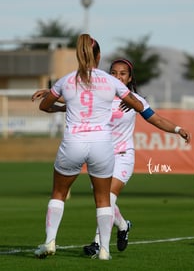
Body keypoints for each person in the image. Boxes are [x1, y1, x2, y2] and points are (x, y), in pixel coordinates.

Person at [32, 58, 191, 257]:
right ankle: (123, 226)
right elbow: (73, 101)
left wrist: (177, 129)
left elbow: (156, 119)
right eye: (114, 73)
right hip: (101, 154)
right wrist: (49, 94)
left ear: (130, 77)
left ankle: (98, 244)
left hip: (123, 156)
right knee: (105, 202)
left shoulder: (134, 100)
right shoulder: (102, 93)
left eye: (122, 73)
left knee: (107, 199)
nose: (117, 76)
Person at [33, 34, 150, 261]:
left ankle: (49, 242)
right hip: (102, 145)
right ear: (99, 56)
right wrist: (133, 104)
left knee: (58, 193)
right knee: (103, 199)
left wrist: (60, 107)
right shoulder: (110, 81)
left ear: (78, 55)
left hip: (73, 142)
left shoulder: (66, 80)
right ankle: (104, 250)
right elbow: (137, 104)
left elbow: (44, 106)